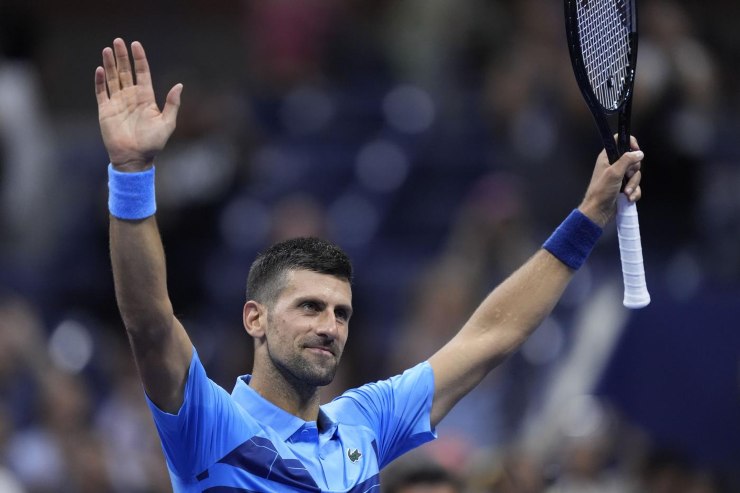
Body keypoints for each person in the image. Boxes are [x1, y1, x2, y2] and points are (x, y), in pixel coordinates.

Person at [95, 38, 644, 493]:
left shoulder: (366, 422)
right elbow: (148, 318)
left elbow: (490, 336)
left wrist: (590, 213)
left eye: (341, 313)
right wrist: (132, 171)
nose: (329, 326)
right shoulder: (209, 425)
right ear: (254, 318)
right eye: (309, 306)